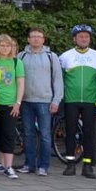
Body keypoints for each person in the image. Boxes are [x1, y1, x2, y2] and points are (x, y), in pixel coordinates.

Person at [18, 27, 64, 176]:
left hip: (45, 101)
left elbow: (58, 79)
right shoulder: (21, 56)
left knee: (45, 135)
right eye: (33, 36)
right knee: (28, 134)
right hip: (26, 101)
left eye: (39, 36)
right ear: (28, 39)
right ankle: (29, 164)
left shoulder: (51, 56)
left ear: (43, 40)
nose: (36, 39)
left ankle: (43, 166)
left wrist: (56, 100)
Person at [59, 25, 96, 178]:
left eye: (86, 37)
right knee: (70, 132)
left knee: (89, 134)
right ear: (74, 39)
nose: (84, 39)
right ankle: (70, 164)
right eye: (80, 36)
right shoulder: (65, 56)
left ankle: (87, 166)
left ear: (90, 39)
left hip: (91, 101)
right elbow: (60, 79)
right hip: (71, 100)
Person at [0, 34, 25, 179]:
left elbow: (20, 83)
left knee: (8, 134)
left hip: (10, 104)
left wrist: (18, 103)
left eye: (8, 46)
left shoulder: (16, 62)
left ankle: (9, 166)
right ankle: (0, 163)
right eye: (2, 45)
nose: (5, 48)